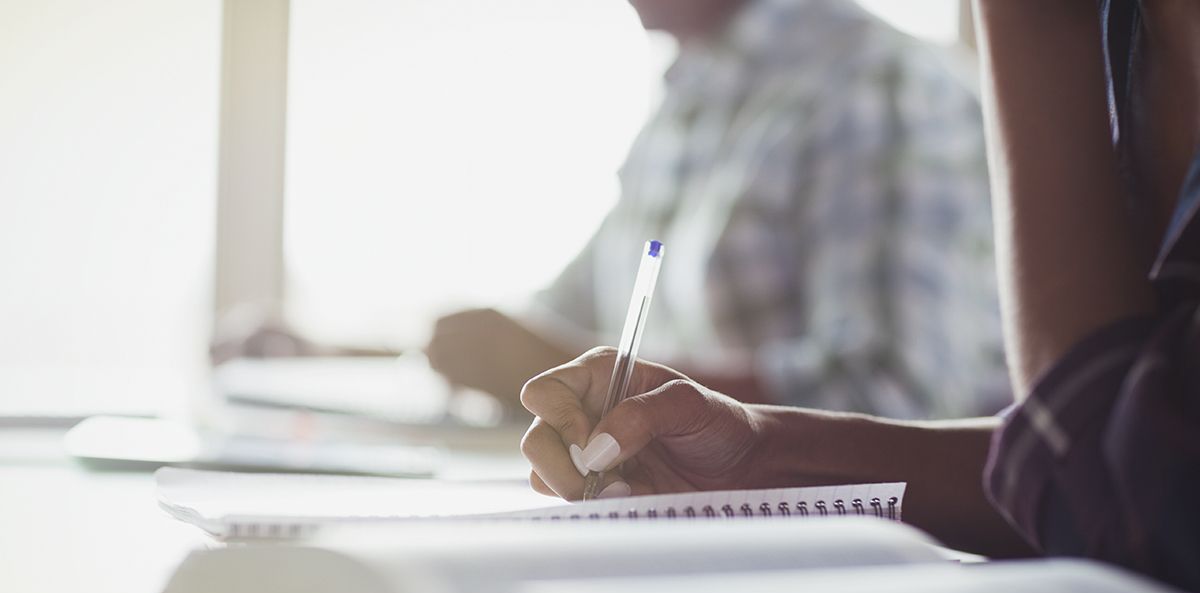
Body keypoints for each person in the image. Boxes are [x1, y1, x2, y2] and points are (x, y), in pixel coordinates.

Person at [520, 0, 1200, 593]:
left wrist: (1019, 18)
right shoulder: (683, 100)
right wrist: (756, 457)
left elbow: (1125, 491)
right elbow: (1124, 457)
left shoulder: (875, 78)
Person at [215, 0, 1006, 419]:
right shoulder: (688, 106)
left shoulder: (873, 87)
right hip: (701, 548)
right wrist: (328, 358)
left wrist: (584, 382)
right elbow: (544, 334)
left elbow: (899, 398)